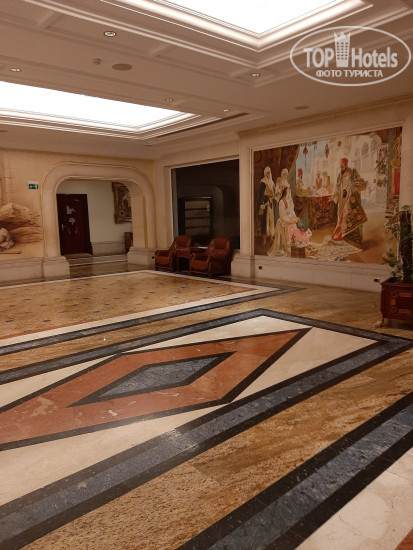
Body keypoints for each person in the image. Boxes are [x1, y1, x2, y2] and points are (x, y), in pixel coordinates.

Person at [330, 158, 367, 248]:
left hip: (350, 198)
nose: (341, 168)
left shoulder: (353, 172)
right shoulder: (339, 174)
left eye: (343, 166)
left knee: (351, 216)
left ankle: (354, 238)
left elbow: (360, 183)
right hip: (342, 199)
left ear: (346, 165)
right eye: (340, 166)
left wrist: (355, 188)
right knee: (342, 216)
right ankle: (344, 236)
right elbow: (337, 186)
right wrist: (335, 194)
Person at [267, 185, 312, 256]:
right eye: (287, 190)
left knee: (301, 227)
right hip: (284, 222)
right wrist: (290, 221)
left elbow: (291, 211)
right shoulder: (282, 202)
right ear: (284, 191)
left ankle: (304, 248)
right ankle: (299, 249)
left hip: (290, 219)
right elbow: (283, 216)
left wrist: (295, 218)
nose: (289, 192)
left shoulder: (289, 200)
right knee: (294, 231)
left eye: (289, 191)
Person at [257, 166, 277, 244]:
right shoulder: (263, 182)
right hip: (265, 203)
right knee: (265, 220)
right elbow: (260, 195)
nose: (268, 174)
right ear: (265, 173)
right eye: (267, 173)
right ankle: (264, 238)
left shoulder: (272, 183)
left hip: (271, 203)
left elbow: (274, 194)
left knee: (271, 219)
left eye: (269, 172)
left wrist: (273, 198)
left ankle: (272, 236)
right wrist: (261, 203)